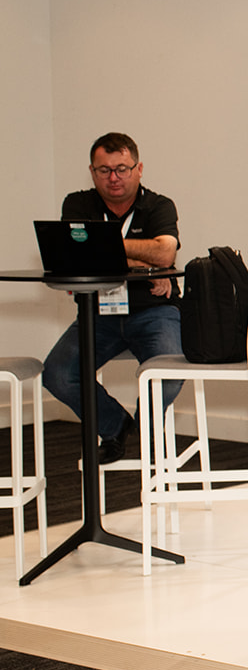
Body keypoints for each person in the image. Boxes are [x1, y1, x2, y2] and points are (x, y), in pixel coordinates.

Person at [41, 133, 183, 463]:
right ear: (92, 172)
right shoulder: (77, 204)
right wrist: (144, 263)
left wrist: (100, 248)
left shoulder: (159, 206)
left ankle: (148, 429)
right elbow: (71, 257)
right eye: (104, 170)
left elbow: (165, 253)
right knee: (58, 375)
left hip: (154, 311)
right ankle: (115, 425)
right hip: (97, 314)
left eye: (122, 168)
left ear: (138, 169)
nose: (114, 177)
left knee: (170, 373)